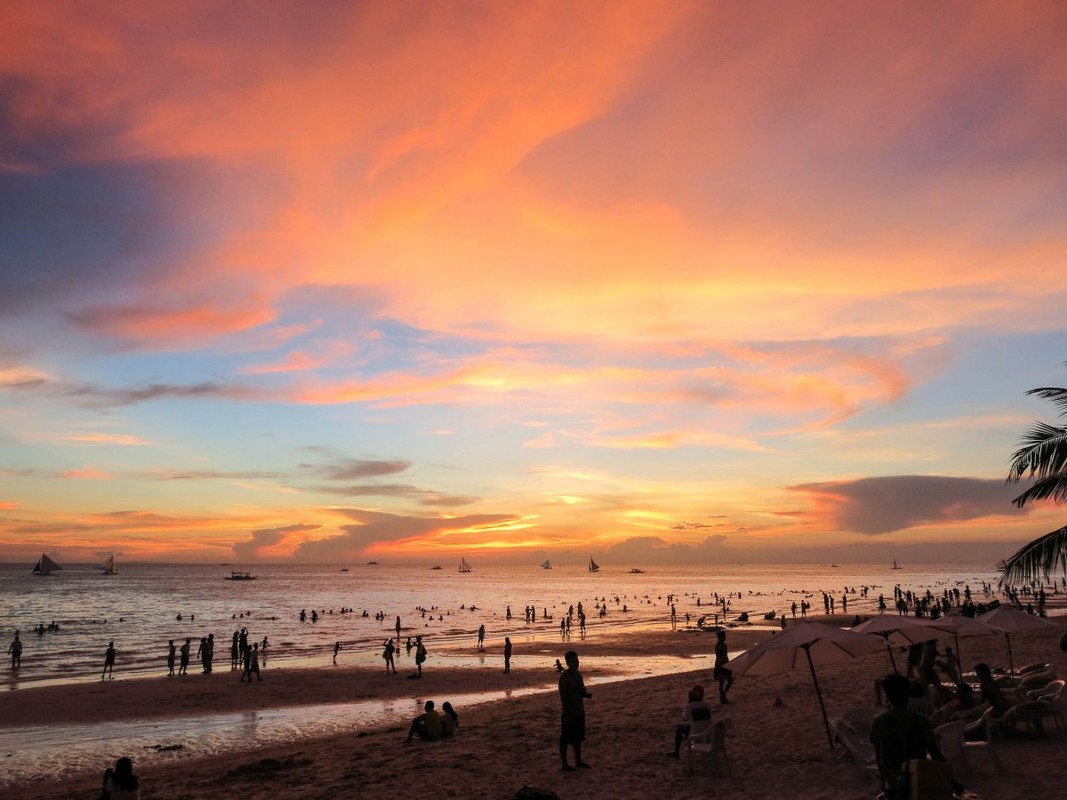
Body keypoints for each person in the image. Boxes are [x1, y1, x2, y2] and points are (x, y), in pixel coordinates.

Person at [870, 673, 947, 800]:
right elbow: (935, 754)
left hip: (892, 781)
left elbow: (879, 754)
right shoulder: (920, 721)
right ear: (908, 694)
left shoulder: (879, 721)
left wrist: (884, 781)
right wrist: (950, 780)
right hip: (917, 777)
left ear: (888, 696)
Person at [558, 649, 592, 770]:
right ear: (568, 663)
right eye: (574, 661)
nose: (576, 663)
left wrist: (586, 695)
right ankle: (564, 764)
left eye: (577, 661)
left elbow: (580, 691)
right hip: (569, 712)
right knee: (565, 738)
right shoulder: (564, 677)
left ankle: (578, 761)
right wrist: (566, 713)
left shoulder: (578, 674)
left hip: (579, 710)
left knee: (578, 737)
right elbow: (563, 696)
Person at [668, 684, 713, 758]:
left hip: (697, 736)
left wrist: (689, 701)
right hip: (709, 735)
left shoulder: (689, 706)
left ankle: (676, 752)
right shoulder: (708, 705)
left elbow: (685, 718)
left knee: (680, 728)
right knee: (690, 725)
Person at [713, 630, 733, 704]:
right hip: (723, 664)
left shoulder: (717, 645)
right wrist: (728, 664)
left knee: (721, 682)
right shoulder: (724, 646)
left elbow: (718, 656)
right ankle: (723, 696)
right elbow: (725, 656)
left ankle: (722, 697)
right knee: (730, 680)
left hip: (718, 664)